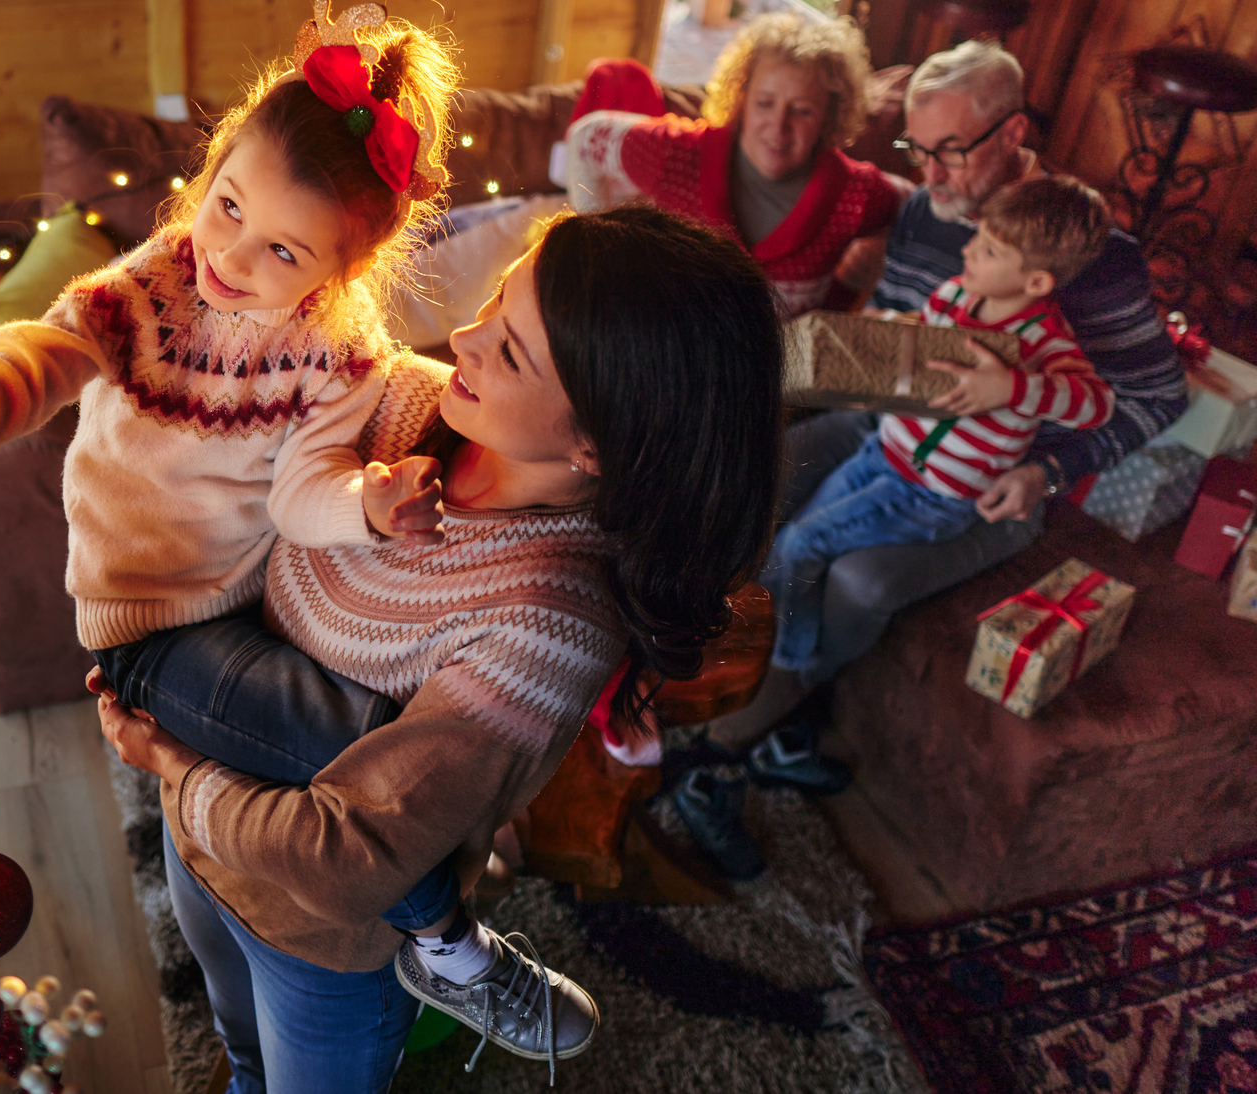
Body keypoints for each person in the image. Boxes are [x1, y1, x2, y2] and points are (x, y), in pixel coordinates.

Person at [0, 0, 549, 982]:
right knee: (341, 737)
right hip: (146, 633)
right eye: (227, 205)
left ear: (345, 265)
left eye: (283, 251)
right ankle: (443, 934)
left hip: (247, 609)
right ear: (211, 173)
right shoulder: (149, 289)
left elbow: (300, 494)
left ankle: (417, 869)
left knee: (384, 738)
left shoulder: (333, 358)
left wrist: (369, 502)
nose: (229, 254)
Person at [96, 206, 787, 1093]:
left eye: (510, 353)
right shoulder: (402, 401)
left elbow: (351, 859)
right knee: (239, 1058)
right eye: (498, 300)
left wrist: (175, 770)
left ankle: (453, 963)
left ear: (598, 443)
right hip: (201, 856)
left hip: (322, 945)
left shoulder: (547, 624)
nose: (462, 335)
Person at [692, 39, 1188, 809]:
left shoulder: (1094, 257)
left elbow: (1157, 399)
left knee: (856, 574)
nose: (928, 177)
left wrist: (1047, 473)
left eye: (950, 152)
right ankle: (708, 660)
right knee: (754, 477)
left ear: (1015, 135)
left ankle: (733, 736)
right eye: (917, 151)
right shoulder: (928, 213)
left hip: (990, 480)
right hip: (888, 435)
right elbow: (904, 333)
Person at [760, 174, 1114, 693]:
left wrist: (1012, 387)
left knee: (802, 541)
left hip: (930, 497)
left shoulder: (1044, 345)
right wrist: (888, 332)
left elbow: (1097, 404)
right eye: (979, 236)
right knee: (801, 532)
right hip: (879, 452)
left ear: (1036, 282)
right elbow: (921, 342)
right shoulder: (954, 294)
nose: (969, 249)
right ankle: (765, 632)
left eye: (990, 250)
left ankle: (787, 663)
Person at [561, 11, 910, 315]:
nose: (779, 126)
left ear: (829, 115)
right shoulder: (678, 157)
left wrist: (857, 280)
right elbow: (585, 138)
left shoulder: (855, 194)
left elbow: (912, 205)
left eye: (802, 110)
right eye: (764, 103)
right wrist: (603, 260)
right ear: (741, 98)